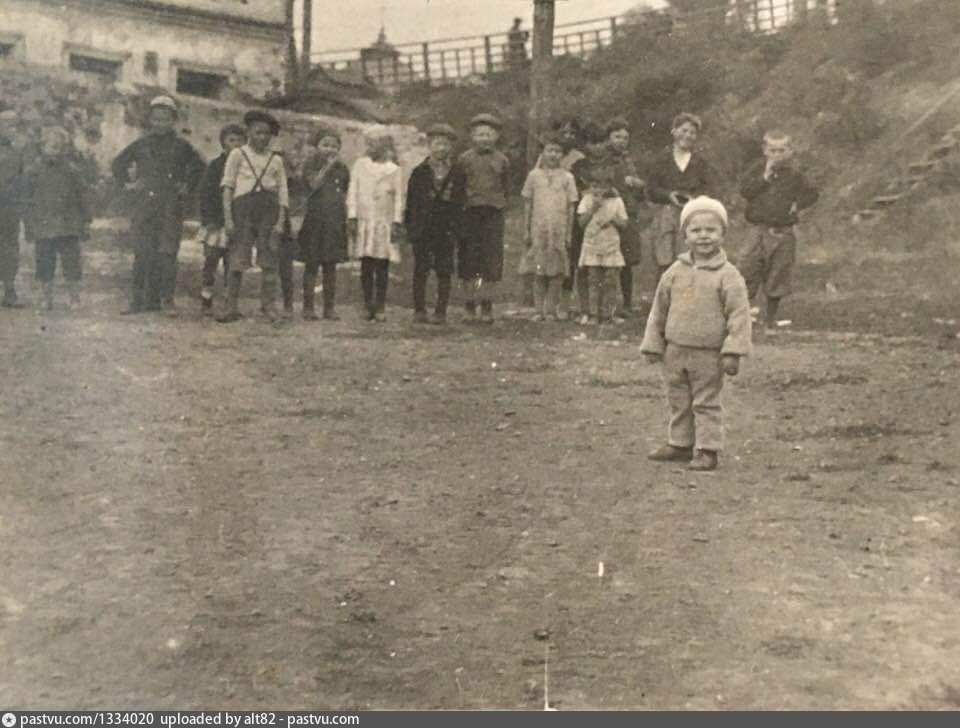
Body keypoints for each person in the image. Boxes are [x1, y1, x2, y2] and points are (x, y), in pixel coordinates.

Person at [640, 197, 752, 472]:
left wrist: (733, 351)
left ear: (723, 234)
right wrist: (653, 343)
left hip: (708, 354)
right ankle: (680, 443)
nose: (703, 236)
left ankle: (707, 449)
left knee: (705, 402)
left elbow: (739, 315)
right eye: (696, 230)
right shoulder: (674, 272)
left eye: (711, 230)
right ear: (685, 235)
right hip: (675, 350)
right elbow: (659, 309)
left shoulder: (729, 276)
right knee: (678, 399)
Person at [111, 95, 204, 314]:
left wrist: (187, 186)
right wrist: (129, 184)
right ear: (150, 120)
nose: (160, 124)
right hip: (145, 205)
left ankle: (166, 300)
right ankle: (138, 300)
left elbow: (199, 167)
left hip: (171, 206)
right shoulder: (141, 144)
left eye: (165, 119)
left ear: (173, 120)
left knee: (167, 253)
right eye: (156, 119)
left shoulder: (182, 146)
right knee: (142, 251)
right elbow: (118, 163)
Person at [738, 130, 819, 331]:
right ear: (765, 150)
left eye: (781, 150)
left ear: (789, 151)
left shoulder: (795, 174)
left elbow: (812, 193)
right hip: (758, 229)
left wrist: (798, 204)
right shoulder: (757, 169)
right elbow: (745, 191)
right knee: (748, 269)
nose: (777, 155)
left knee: (778, 273)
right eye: (773, 150)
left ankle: (770, 318)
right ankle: (742, 315)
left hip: (783, 231)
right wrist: (764, 178)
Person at [220, 110, 289, 323]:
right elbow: (228, 187)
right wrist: (228, 219)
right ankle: (231, 306)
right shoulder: (238, 154)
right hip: (243, 210)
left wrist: (280, 221)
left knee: (269, 257)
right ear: (248, 132)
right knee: (238, 256)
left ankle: (268, 306)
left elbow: (283, 192)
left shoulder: (276, 160)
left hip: (269, 210)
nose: (263, 137)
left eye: (267, 133)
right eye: (258, 132)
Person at [21, 126, 90, 310]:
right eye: (52, 147)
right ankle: (46, 297)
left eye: (60, 147)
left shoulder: (72, 171)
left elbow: (82, 196)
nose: (56, 151)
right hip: (44, 224)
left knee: (72, 262)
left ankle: (74, 298)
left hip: (68, 224)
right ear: (43, 147)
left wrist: (86, 220)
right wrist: (29, 224)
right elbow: (26, 200)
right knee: (44, 261)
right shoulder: (33, 171)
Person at [645, 112, 717, 282]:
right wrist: (669, 195)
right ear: (674, 131)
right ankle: (664, 297)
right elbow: (651, 189)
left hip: (691, 215)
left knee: (689, 259)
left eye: (692, 132)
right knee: (665, 261)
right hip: (666, 214)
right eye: (684, 130)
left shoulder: (700, 162)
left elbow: (710, 188)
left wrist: (695, 199)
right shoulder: (661, 160)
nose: (687, 135)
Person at [455, 113, 510, 324]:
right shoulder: (464, 159)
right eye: (480, 134)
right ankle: (469, 305)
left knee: (491, 260)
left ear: (496, 137)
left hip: (493, 213)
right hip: (469, 213)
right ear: (472, 136)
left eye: (489, 134)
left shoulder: (502, 160)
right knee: (469, 259)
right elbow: (458, 187)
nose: (484, 139)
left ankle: (487, 305)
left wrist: (501, 205)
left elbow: (506, 187)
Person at [405, 123, 462, 325]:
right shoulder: (419, 172)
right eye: (437, 144)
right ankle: (419, 309)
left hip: (446, 228)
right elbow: (411, 202)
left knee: (444, 269)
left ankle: (440, 311)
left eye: (446, 145)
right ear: (429, 146)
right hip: (423, 228)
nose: (441, 149)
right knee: (421, 268)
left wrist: (456, 228)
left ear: (451, 148)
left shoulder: (457, 172)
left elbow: (460, 202)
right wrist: (411, 228)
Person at [518, 133, 579, 322]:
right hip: (539, 229)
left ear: (563, 155)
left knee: (556, 272)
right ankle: (538, 310)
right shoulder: (534, 176)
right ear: (543, 153)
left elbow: (571, 206)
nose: (553, 155)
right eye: (549, 150)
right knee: (538, 271)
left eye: (557, 151)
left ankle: (551, 310)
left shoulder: (568, 177)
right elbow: (528, 204)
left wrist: (569, 233)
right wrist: (526, 230)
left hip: (559, 230)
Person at [347, 127, 404, 322]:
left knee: (382, 264)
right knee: (366, 263)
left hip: (383, 222)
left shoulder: (394, 170)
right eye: (368, 143)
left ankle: (380, 305)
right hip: (365, 221)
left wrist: (396, 221)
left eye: (374, 143)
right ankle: (367, 303)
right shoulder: (360, 165)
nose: (370, 147)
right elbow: (353, 191)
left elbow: (399, 198)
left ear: (385, 145)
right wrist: (352, 216)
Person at [296, 126, 351, 321]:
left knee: (330, 266)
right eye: (325, 145)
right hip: (315, 221)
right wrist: (327, 167)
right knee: (312, 264)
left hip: (334, 221)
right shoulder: (311, 164)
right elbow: (314, 184)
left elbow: (344, 191)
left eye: (334, 146)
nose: (330, 149)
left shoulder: (342, 168)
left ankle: (329, 308)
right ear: (317, 146)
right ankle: (308, 307)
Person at [595, 117, 645, 319]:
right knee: (605, 259)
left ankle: (626, 303)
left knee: (627, 260)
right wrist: (621, 184)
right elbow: (599, 184)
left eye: (625, 138)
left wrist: (638, 185)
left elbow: (640, 191)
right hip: (608, 213)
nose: (621, 141)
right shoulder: (601, 159)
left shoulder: (628, 160)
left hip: (628, 213)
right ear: (609, 137)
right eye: (617, 137)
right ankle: (603, 305)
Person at [197, 123, 246, 316]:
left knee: (232, 264)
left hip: (237, 222)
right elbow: (205, 193)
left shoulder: (246, 166)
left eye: (240, 140)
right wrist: (208, 218)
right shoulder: (215, 166)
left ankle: (229, 302)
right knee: (211, 261)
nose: (236, 144)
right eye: (231, 140)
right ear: (223, 142)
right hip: (216, 223)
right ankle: (206, 299)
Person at [576, 166, 629, 324]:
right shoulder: (587, 201)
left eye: (601, 186)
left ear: (608, 187)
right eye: (594, 186)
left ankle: (608, 314)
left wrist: (611, 218)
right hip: (592, 244)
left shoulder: (616, 201)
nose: (597, 190)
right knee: (593, 280)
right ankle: (594, 313)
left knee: (610, 281)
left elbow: (624, 224)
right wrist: (593, 209)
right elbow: (581, 223)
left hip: (610, 244)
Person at [0, 109, 26, 308]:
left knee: (9, 246)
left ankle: (9, 290)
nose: (12, 129)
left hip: (9, 206)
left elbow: (23, 179)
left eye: (15, 125)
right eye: (7, 124)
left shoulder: (18, 152)